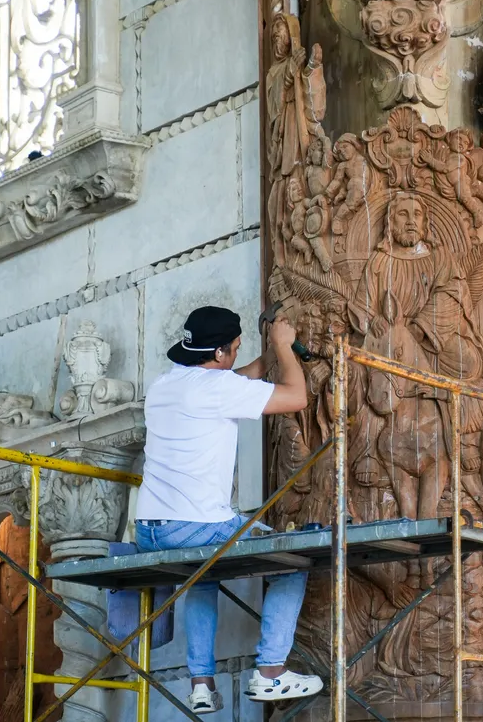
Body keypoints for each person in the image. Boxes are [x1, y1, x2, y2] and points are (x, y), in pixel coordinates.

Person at [135, 305, 323, 714]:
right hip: (195, 525)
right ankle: (271, 673)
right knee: (293, 554)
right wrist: (283, 349)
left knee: (203, 574)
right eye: (234, 349)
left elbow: (239, 379)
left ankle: (201, 684)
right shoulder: (216, 390)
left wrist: (272, 351)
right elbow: (295, 397)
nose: (237, 355)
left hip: (149, 529)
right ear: (219, 354)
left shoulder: (168, 384)